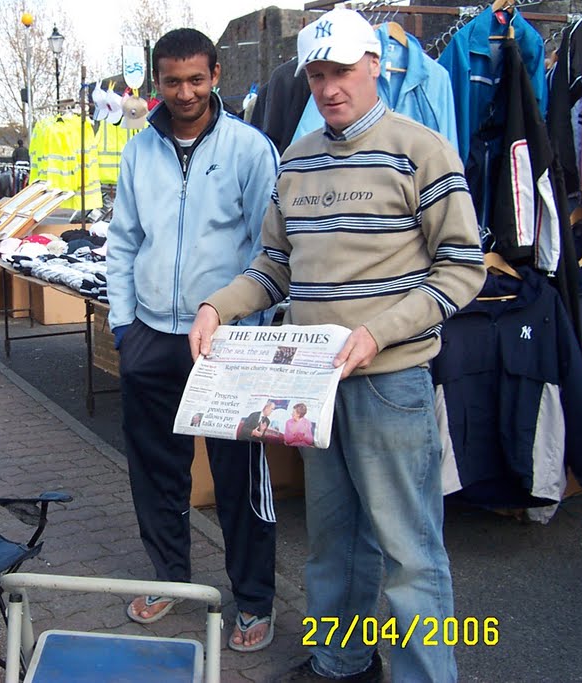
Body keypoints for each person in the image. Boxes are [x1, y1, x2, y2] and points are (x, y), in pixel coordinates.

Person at [189, 9, 486, 681]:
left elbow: (464, 267)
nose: (328, 88)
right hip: (312, 382)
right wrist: (217, 306)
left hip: (392, 378)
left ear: (375, 65)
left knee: (409, 551)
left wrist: (378, 331)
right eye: (317, 75)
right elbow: (274, 265)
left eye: (342, 72)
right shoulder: (296, 160)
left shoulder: (422, 150)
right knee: (332, 541)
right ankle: (342, 661)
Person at [107, 27, 281, 653]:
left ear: (215, 77)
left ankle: (255, 601)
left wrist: (252, 329)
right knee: (157, 472)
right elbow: (124, 240)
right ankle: (170, 580)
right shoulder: (137, 153)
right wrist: (124, 325)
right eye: (172, 80)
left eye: (196, 79)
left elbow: (271, 247)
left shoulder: (249, 149)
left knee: (239, 477)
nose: (185, 92)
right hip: (152, 334)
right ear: (157, 81)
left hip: (228, 341)